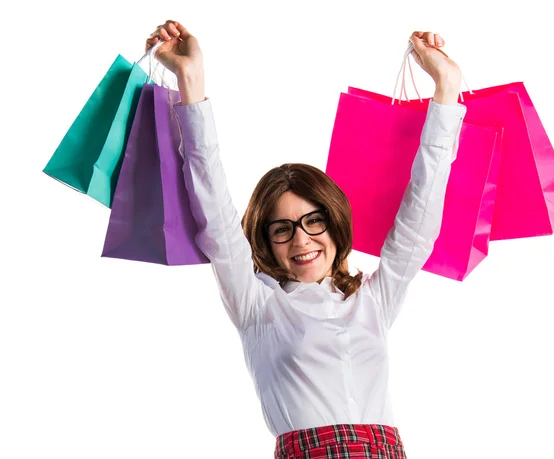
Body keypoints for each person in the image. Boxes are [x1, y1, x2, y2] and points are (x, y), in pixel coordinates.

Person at [146, 19, 465, 459]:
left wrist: (447, 90)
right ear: (266, 241)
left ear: (335, 225)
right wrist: (191, 81)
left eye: (314, 221)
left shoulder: (373, 301)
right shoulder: (258, 303)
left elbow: (419, 221)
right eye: (282, 228)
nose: (302, 239)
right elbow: (216, 214)